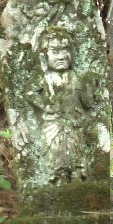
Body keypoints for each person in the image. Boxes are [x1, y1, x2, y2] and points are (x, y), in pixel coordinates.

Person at [28, 26, 95, 185]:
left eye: (65, 51)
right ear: (45, 55)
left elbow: (87, 102)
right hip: (54, 123)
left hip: (74, 122)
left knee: (76, 148)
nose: (62, 56)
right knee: (57, 151)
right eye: (55, 52)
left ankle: (78, 175)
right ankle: (59, 177)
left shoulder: (73, 76)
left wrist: (89, 86)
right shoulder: (46, 76)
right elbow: (29, 92)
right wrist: (45, 105)